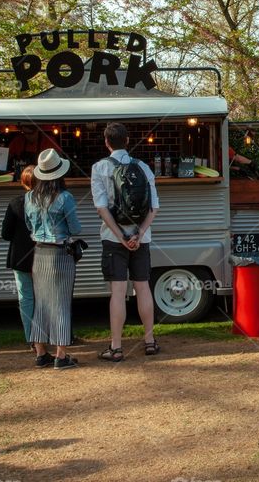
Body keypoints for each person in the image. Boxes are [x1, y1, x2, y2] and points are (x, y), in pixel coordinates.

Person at [91, 121, 161, 362]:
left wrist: (122, 238)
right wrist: (138, 235)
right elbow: (154, 208)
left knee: (118, 293)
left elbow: (101, 208)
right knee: (143, 287)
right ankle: (149, 342)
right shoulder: (143, 167)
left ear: (106, 142)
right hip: (142, 239)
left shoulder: (99, 168)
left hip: (113, 240)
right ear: (128, 141)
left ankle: (116, 347)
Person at [24, 148, 82, 370]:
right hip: (60, 254)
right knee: (61, 304)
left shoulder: (29, 197)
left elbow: (28, 225)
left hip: (39, 253)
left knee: (41, 303)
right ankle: (61, 355)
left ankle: (40, 353)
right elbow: (75, 228)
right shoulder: (65, 198)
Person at [2, 165, 36, 349]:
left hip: (20, 256)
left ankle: (31, 338)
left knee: (26, 298)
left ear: (23, 182)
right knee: (44, 298)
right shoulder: (47, 201)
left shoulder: (15, 203)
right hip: (42, 255)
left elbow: (5, 233)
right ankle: (45, 336)